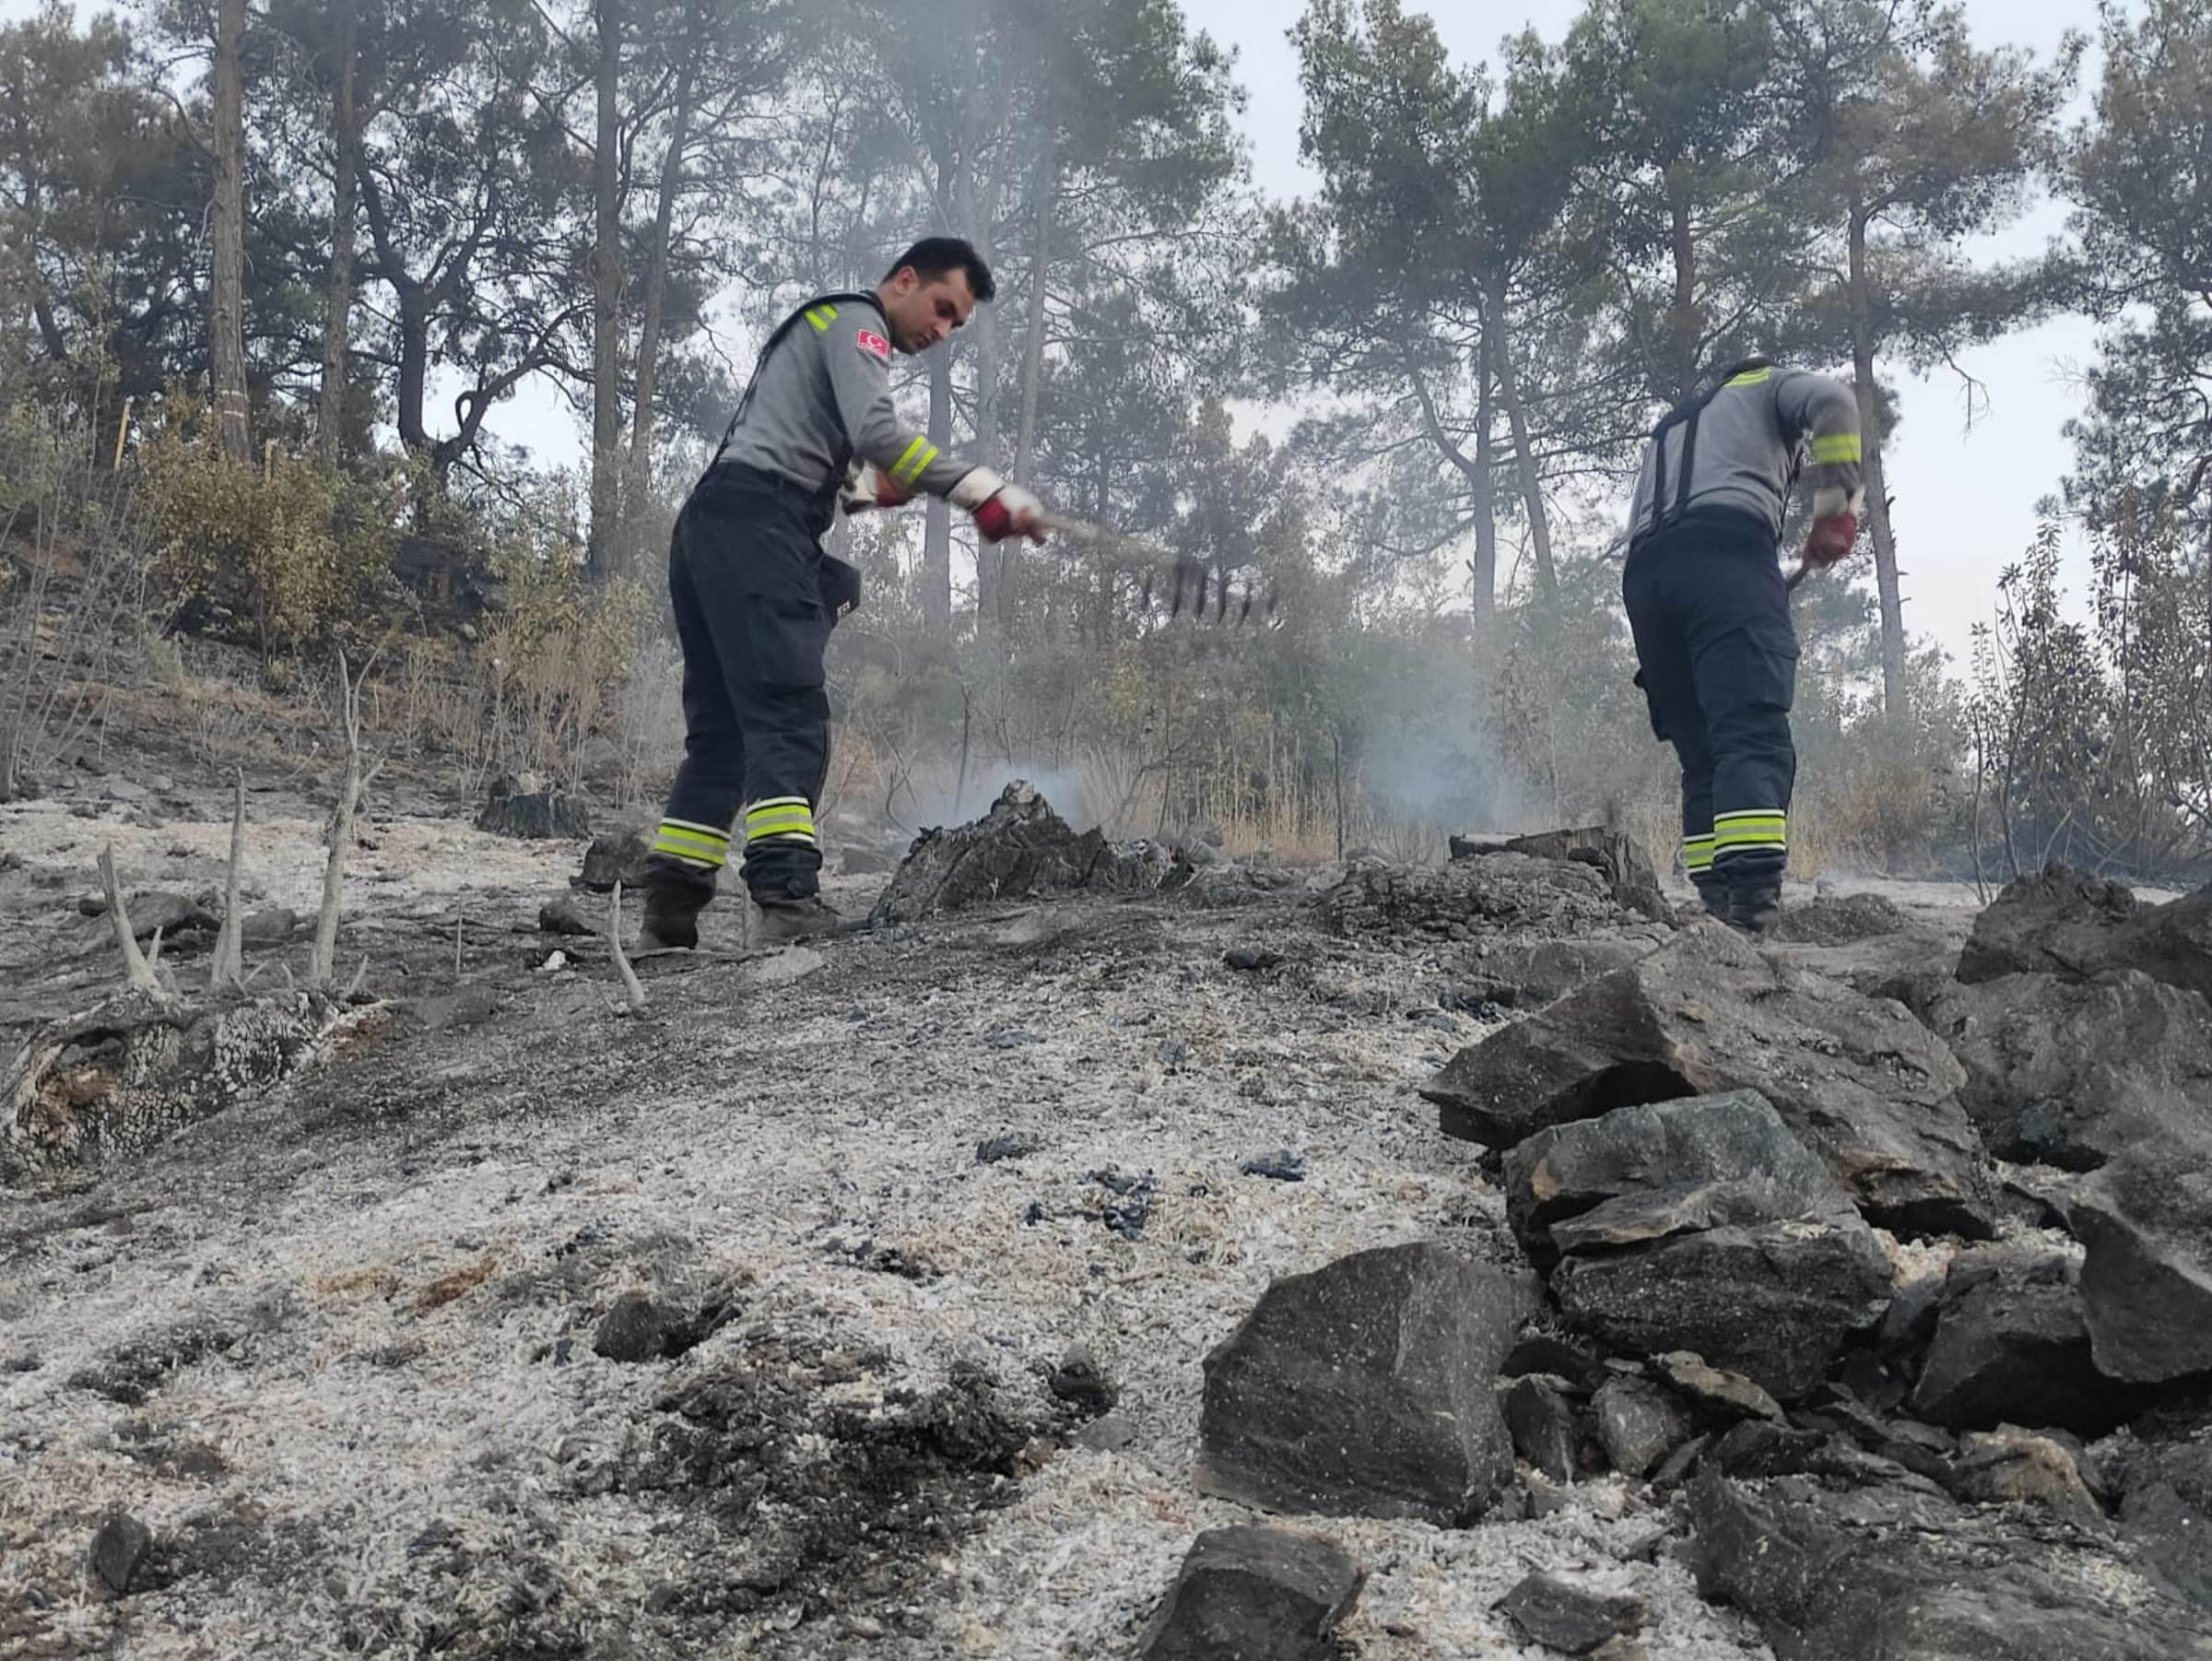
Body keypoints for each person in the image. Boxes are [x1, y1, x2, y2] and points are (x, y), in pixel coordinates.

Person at [637, 236, 1047, 951]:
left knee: (723, 736)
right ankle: (787, 900)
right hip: (757, 528)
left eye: (956, 326)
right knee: (788, 714)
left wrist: (873, 490)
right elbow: (878, 433)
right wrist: (982, 491)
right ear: (905, 280)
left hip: (711, 529)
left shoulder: (818, 333)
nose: (941, 331)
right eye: (942, 308)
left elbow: (843, 470)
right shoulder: (856, 321)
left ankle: (668, 915)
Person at [1620, 357, 1864, 934]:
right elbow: (1836, 402)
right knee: (1752, 736)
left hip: (1646, 580)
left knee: (1702, 752)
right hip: (1726, 553)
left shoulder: (1674, 426)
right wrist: (1837, 511)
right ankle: (1752, 911)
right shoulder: (1769, 385)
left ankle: (1714, 908)